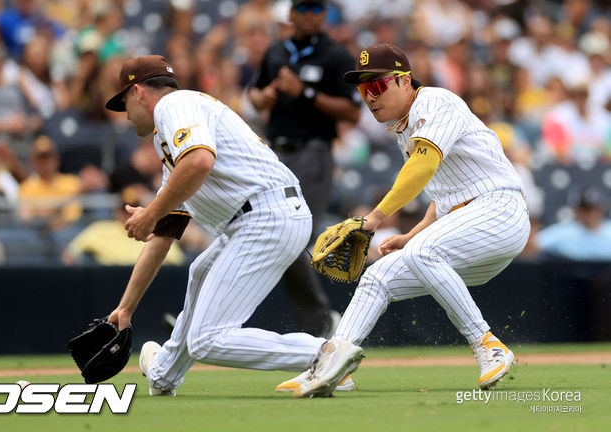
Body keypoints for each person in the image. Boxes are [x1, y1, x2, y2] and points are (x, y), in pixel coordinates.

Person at [281, 43, 531, 398]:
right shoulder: (405, 126)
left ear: (403, 81)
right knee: (377, 277)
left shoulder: (434, 102)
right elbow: (442, 193)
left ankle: (487, 344)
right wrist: (413, 233)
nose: (370, 96)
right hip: (470, 229)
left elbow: (423, 166)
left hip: (500, 212)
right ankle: (332, 366)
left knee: (422, 252)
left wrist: (375, 218)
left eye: (378, 85)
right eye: (363, 89)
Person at [104, 55, 336, 396]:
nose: (123, 113)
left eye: (123, 100)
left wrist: (150, 212)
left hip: (265, 215)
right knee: (200, 271)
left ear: (138, 91)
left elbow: (199, 161)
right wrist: (126, 307)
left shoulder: (174, 105)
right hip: (261, 216)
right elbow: (165, 234)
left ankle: (323, 354)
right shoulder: (173, 135)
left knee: (207, 340)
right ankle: (164, 373)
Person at [248, 0, 361, 337]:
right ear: (292, 14)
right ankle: (323, 322)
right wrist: (263, 97)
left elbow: (353, 113)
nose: (310, 15)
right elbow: (254, 93)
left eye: (316, 9)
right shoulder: (277, 51)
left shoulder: (335, 55)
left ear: (324, 15)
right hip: (275, 155)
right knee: (274, 238)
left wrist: (306, 93)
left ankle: (321, 324)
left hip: (313, 153)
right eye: (304, 8)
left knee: (291, 239)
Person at [536, 187, 611, 261]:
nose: (589, 214)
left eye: (592, 209)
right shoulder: (563, 231)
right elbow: (533, 244)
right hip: (570, 271)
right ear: (576, 211)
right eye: (584, 209)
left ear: (601, 209)